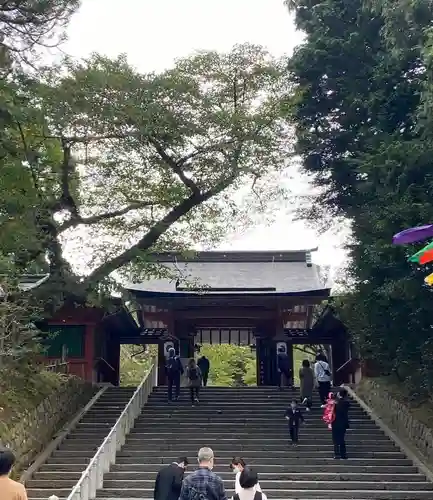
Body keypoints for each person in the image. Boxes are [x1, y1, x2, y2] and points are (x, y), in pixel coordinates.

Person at [332, 388, 350, 460]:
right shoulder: (346, 403)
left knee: (335, 439)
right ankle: (343, 454)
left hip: (335, 422)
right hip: (343, 423)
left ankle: (337, 454)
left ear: (339, 394)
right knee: (342, 439)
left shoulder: (336, 403)